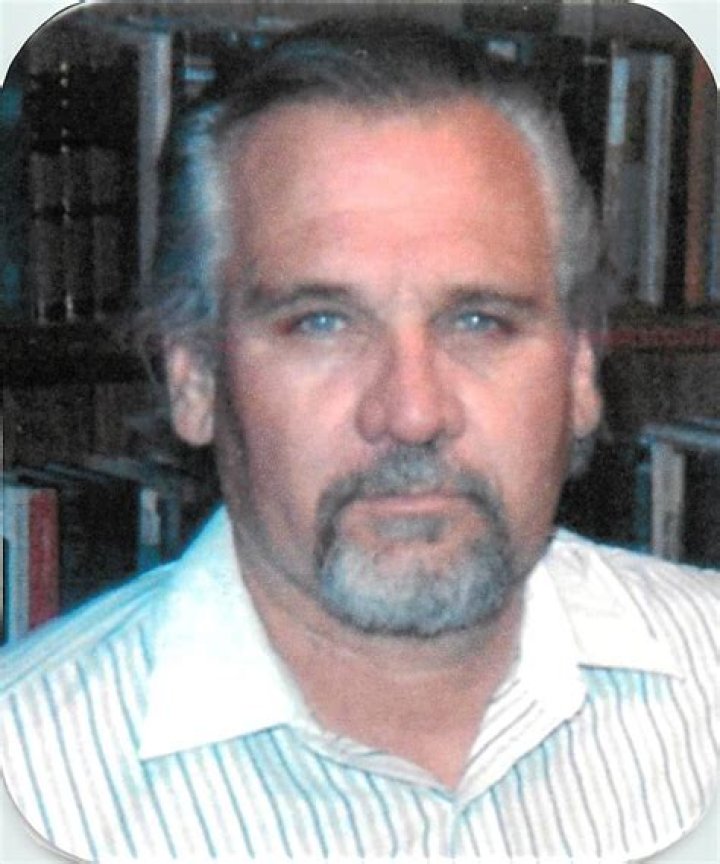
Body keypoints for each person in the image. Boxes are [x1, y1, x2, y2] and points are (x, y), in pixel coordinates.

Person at [2, 14, 717, 861]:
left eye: (480, 321)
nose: (411, 412)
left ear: (580, 372)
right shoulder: (31, 773)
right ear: (194, 379)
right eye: (322, 323)